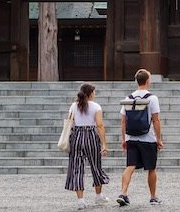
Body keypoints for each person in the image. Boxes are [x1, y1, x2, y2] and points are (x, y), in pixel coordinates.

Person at [118, 69, 164, 207]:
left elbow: (123, 121)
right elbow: (156, 120)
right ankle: (153, 197)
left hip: (131, 137)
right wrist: (159, 139)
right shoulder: (152, 98)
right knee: (151, 168)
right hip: (147, 137)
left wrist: (124, 139)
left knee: (130, 166)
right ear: (148, 80)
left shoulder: (128, 98)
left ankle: (123, 193)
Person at [65, 83, 110, 209]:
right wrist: (104, 144)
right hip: (90, 134)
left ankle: (81, 200)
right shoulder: (96, 106)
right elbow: (100, 125)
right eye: (94, 92)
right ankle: (98, 195)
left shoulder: (74, 106)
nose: (95, 94)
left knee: (77, 168)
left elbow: (70, 122)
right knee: (96, 165)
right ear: (90, 93)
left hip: (77, 136)